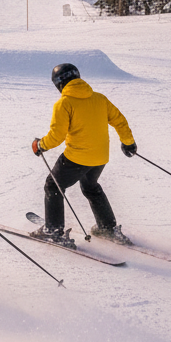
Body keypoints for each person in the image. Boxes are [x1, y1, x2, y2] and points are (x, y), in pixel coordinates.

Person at [29, 63, 136, 247]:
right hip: (100, 157)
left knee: (53, 186)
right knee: (90, 186)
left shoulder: (64, 103)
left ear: (59, 84)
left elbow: (57, 136)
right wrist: (128, 142)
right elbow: (119, 120)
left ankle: (53, 231)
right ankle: (107, 228)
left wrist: (40, 145)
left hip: (76, 158)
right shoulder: (99, 98)